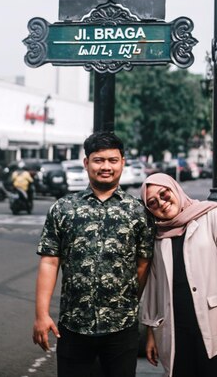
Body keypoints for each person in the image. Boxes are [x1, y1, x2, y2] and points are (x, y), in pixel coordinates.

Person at [32, 131, 154, 377]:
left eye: (112, 160)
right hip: (73, 326)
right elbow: (49, 262)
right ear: (86, 163)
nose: (106, 166)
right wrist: (41, 314)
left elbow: (143, 265)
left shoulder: (138, 211)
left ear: (122, 162)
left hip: (122, 328)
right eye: (99, 160)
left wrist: (125, 302)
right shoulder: (63, 208)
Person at [140, 173, 217, 377]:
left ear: (175, 189)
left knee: (214, 373)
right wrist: (151, 333)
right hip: (175, 326)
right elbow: (153, 288)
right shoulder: (157, 235)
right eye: (153, 203)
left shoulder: (213, 216)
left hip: (215, 320)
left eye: (164, 194)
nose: (161, 203)